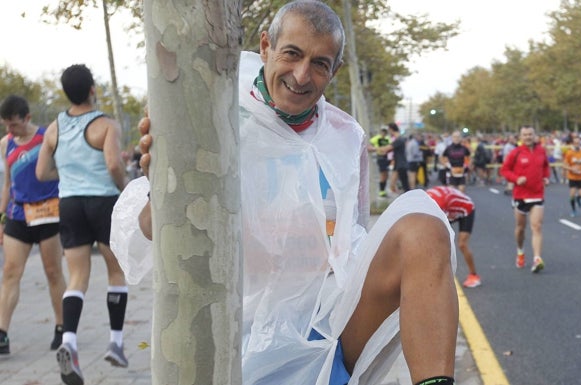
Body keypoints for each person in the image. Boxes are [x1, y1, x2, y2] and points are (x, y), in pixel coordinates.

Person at [136, 2, 458, 385]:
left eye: (320, 63)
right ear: (266, 45)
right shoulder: (215, 119)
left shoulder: (345, 137)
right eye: (292, 54)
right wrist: (163, 186)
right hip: (238, 343)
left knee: (423, 230)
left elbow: (352, 241)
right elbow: (150, 231)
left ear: (335, 71)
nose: (302, 75)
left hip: (328, 335)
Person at [35, 64, 129, 385]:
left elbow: (42, 174)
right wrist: (125, 187)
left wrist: (72, 175)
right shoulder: (106, 125)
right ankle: (116, 343)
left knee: (77, 275)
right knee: (116, 270)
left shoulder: (53, 129)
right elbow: (114, 164)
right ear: (92, 89)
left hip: (70, 203)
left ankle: (69, 342)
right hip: (103, 202)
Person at [0, 95, 66, 354]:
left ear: (27, 118)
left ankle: (62, 328)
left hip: (49, 213)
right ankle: (2, 333)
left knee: (52, 272)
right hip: (18, 215)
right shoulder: (6, 144)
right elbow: (7, 185)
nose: (10, 130)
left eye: (14, 124)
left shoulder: (47, 138)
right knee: (10, 272)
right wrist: (1, 217)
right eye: (5, 125)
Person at [500, 125, 549, 274]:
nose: (528, 137)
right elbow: (504, 170)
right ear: (520, 137)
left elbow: (546, 166)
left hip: (537, 194)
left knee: (537, 226)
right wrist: (516, 178)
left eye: (530, 134)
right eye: (525, 134)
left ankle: (537, 258)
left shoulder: (541, 151)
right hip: (521, 195)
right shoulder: (516, 153)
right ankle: (520, 251)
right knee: (521, 228)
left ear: (535, 135)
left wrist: (546, 177)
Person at [426, 186, 481, 288]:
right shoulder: (425, 199)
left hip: (466, 209)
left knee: (462, 244)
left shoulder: (439, 204)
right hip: (450, 207)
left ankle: (474, 276)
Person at [378, 122, 410, 194]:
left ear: (391, 129)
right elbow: (388, 150)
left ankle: (408, 199)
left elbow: (386, 148)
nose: (388, 132)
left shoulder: (399, 140)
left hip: (401, 164)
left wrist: (373, 148)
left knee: (405, 186)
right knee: (393, 185)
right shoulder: (399, 139)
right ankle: (401, 199)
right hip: (398, 164)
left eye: (388, 130)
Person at [562, 133, 581, 217]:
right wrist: (571, 169)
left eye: (578, 143)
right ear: (573, 143)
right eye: (575, 143)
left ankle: (578, 199)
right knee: (572, 194)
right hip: (572, 177)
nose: (577, 144)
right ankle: (573, 210)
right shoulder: (569, 153)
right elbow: (564, 165)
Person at [368, 127, 391, 197]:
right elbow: (370, 145)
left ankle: (383, 190)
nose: (383, 134)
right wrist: (376, 149)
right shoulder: (376, 138)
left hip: (386, 158)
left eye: (385, 132)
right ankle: (381, 191)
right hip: (380, 158)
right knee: (383, 174)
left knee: (386, 175)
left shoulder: (387, 139)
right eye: (382, 132)